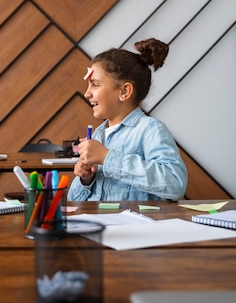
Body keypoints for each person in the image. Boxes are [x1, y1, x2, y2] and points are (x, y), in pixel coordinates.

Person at [68, 38, 187, 201]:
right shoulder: (98, 136)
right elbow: (73, 200)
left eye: (95, 85)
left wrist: (107, 157)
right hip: (101, 224)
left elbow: (175, 184)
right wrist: (85, 179)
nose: (87, 93)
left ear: (124, 91)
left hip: (136, 225)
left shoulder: (150, 130)